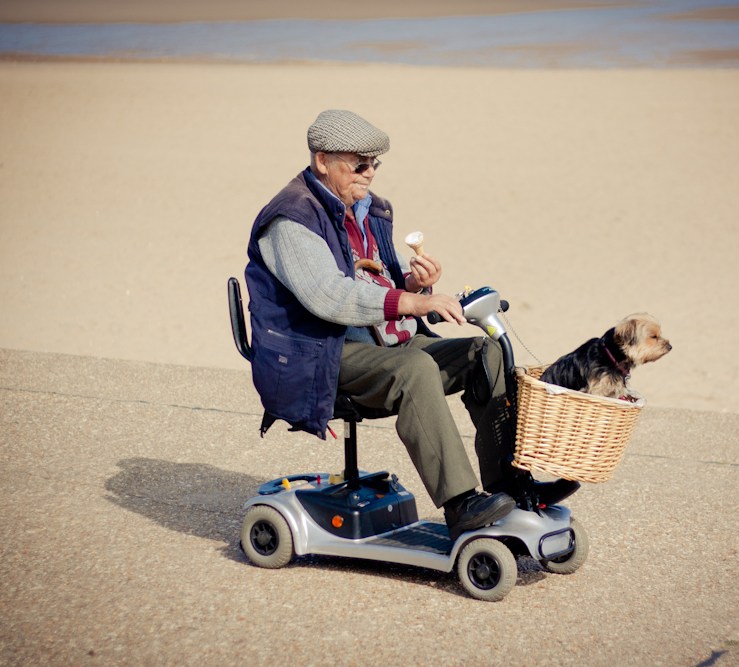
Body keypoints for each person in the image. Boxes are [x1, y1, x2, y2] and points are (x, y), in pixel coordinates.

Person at [244, 109, 577, 538]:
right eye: (358, 164)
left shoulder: (369, 211)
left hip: (380, 345)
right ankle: (461, 503)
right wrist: (412, 303)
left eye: (374, 165)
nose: (369, 174)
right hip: (318, 355)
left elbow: (382, 280)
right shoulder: (292, 218)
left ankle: (507, 484)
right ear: (322, 160)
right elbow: (329, 297)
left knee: (486, 353)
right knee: (415, 370)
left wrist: (416, 284)